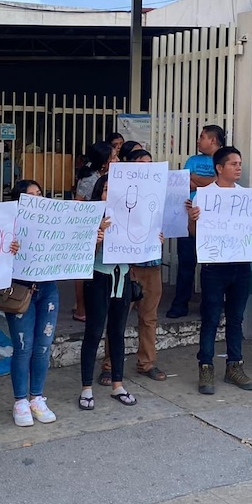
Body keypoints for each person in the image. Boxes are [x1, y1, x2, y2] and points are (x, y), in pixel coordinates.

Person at [186, 145, 252, 394]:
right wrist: (192, 220)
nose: (239, 167)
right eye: (233, 164)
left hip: (241, 266)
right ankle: (205, 367)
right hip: (214, 267)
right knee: (210, 318)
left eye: (239, 163)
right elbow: (194, 234)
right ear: (219, 167)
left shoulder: (246, 196)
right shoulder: (203, 196)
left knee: (236, 319)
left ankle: (234, 366)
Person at [100, 149, 167, 383]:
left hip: (151, 265)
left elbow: (163, 224)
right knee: (118, 317)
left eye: (150, 163)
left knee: (149, 318)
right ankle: (109, 365)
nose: (146, 168)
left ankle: (146, 362)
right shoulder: (116, 192)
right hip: (124, 266)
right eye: (141, 164)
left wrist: (160, 238)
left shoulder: (157, 194)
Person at [4, 180, 61, 427]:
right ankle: (20, 401)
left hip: (48, 289)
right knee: (23, 346)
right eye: (31, 196)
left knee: (43, 346)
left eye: (40, 194)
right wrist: (8, 248)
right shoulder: (9, 224)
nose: (38, 199)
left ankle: (37, 397)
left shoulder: (54, 222)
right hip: (20, 290)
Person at [80, 174, 137, 409]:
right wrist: (96, 237)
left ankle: (118, 384)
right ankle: (86, 388)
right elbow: (81, 256)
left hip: (121, 277)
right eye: (105, 190)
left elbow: (138, 247)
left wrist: (152, 241)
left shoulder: (131, 217)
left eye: (113, 191)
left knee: (117, 332)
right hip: (98, 277)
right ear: (98, 193)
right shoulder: (90, 218)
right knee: (94, 332)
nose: (109, 195)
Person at [168, 125, 225, 319]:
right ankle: (180, 304)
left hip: (214, 221)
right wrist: (205, 180)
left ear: (213, 140)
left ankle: (209, 305)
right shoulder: (192, 160)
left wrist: (195, 178)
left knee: (212, 266)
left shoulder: (224, 159)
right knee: (186, 263)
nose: (198, 140)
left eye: (202, 137)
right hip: (188, 218)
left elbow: (220, 183)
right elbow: (185, 182)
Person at [72, 142, 116, 323]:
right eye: (113, 157)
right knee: (83, 268)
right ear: (105, 161)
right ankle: (81, 308)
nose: (117, 160)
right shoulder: (89, 179)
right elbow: (78, 203)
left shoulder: (113, 176)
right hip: (89, 228)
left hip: (107, 228)